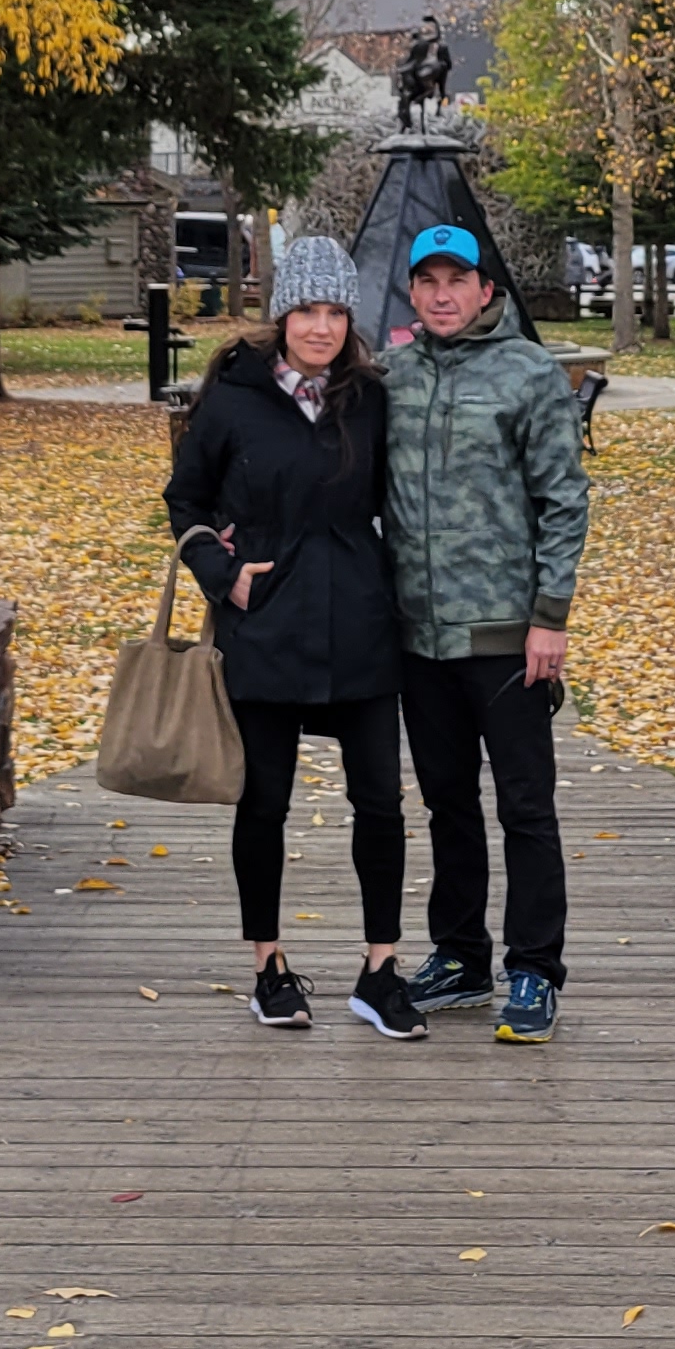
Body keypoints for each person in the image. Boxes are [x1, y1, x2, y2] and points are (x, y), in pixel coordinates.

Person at [162, 235, 427, 1041]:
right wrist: (224, 573)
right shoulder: (233, 398)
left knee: (380, 800)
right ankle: (268, 967)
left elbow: (401, 500)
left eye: (336, 311)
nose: (321, 327)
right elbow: (185, 500)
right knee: (264, 802)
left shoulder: (371, 399)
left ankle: (380, 971)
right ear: (282, 315)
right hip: (265, 626)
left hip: (360, 625)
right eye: (307, 310)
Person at [383, 223, 591, 1043]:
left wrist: (550, 620)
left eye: (456, 280)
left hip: (507, 636)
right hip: (418, 638)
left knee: (526, 807)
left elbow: (564, 501)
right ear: (413, 292)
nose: (442, 294)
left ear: (486, 292)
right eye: (428, 280)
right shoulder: (391, 375)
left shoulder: (530, 374)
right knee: (445, 805)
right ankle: (461, 956)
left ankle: (534, 969)